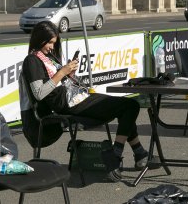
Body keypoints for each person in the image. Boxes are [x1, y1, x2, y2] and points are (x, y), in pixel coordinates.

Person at [19, 21, 149, 181]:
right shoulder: (32, 60)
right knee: (130, 106)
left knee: (124, 108)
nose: (52, 47)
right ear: (40, 39)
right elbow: (39, 93)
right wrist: (62, 72)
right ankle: (116, 154)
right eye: (50, 42)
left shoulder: (47, 58)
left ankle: (139, 152)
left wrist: (69, 74)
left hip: (73, 98)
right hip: (67, 102)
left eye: (54, 42)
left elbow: (58, 81)